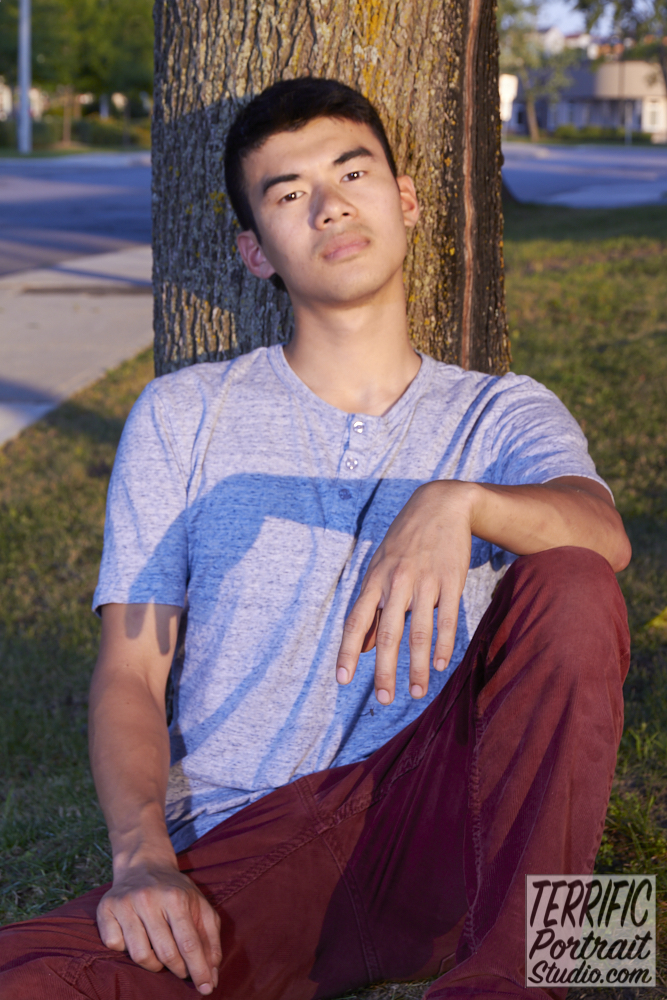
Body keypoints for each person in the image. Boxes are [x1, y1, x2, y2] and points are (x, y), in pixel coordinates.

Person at [0, 78, 631, 1000]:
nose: (329, 203)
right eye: (289, 192)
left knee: (572, 582)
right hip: (255, 846)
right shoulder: (185, 414)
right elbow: (129, 671)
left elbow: (601, 536)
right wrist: (141, 857)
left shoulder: (501, 412)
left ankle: (526, 976)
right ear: (256, 252)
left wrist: (458, 503)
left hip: (450, 821)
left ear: (405, 200)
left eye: (351, 171)